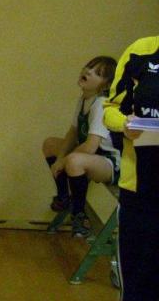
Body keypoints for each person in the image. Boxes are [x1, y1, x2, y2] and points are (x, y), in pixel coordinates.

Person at [103, 36, 159, 301]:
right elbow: (110, 109)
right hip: (140, 188)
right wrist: (125, 123)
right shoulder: (141, 52)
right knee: (139, 285)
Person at [41, 55, 118, 237]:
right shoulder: (84, 98)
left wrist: (64, 161)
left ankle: (79, 214)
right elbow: (72, 133)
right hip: (91, 155)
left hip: (110, 162)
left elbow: (90, 146)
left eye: (97, 73)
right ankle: (64, 197)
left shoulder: (101, 104)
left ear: (105, 85)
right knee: (50, 144)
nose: (88, 72)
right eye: (89, 67)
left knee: (74, 160)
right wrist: (60, 158)